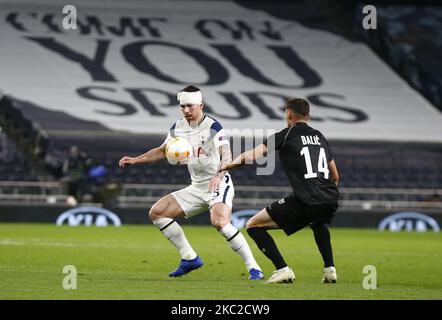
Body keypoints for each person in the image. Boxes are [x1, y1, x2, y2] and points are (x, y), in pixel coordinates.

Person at [118, 85, 264, 280]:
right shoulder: (177, 127)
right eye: (183, 107)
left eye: (190, 106)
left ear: (201, 104)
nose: (186, 110)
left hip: (218, 182)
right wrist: (135, 159)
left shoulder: (213, 126)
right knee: (157, 213)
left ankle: (254, 267)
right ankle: (189, 258)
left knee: (220, 223)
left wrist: (219, 175)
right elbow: (162, 151)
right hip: (196, 187)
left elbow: (227, 154)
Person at [219, 98, 339, 284]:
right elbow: (335, 176)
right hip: (330, 198)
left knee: (253, 225)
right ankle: (330, 270)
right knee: (318, 222)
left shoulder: (285, 135)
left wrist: (228, 165)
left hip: (306, 199)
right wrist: (323, 194)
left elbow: (251, 156)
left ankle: (282, 269)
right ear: (309, 116)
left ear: (289, 114)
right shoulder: (320, 137)